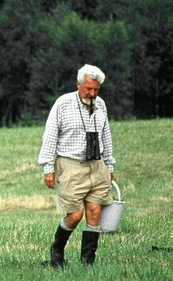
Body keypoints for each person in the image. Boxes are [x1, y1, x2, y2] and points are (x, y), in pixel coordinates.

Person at [37, 64, 116, 267]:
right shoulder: (63, 104)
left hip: (96, 165)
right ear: (78, 84)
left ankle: (87, 262)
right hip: (70, 165)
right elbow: (50, 136)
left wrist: (110, 166)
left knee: (94, 212)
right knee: (74, 214)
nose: (92, 93)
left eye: (96, 90)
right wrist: (48, 168)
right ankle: (57, 250)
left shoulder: (101, 105)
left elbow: (105, 136)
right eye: (88, 88)